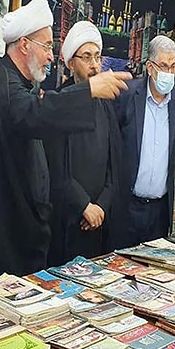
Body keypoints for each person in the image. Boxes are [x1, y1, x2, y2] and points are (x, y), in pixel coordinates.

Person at [0, 0, 131, 279]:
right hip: (3, 236)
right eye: (46, 47)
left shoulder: (21, 83)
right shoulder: (1, 79)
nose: (51, 57)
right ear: (24, 44)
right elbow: (31, 112)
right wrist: (89, 90)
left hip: (23, 230)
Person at [45, 21, 122, 266]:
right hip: (67, 218)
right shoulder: (60, 102)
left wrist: (101, 206)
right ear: (71, 63)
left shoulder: (106, 103)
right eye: (86, 57)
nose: (94, 65)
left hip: (99, 219)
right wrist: (84, 206)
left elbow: (114, 162)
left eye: (97, 57)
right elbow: (55, 167)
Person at [110, 35, 175, 249]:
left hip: (159, 212)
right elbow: (113, 146)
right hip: (126, 207)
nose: (168, 73)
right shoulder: (127, 95)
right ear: (150, 67)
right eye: (163, 66)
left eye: (173, 66)